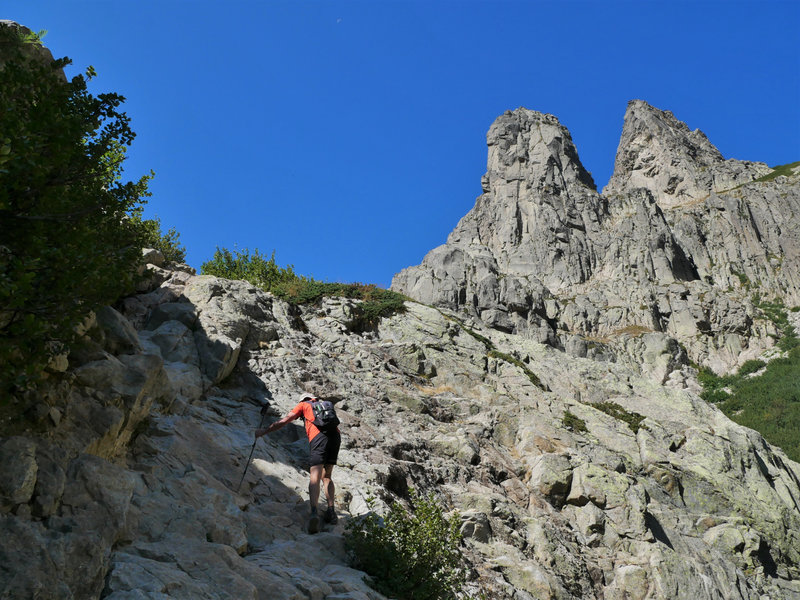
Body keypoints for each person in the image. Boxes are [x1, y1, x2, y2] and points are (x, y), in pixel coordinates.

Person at [255, 393, 341, 533]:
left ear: (303, 400)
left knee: (315, 474)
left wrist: (264, 431)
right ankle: (331, 511)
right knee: (327, 476)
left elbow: (285, 420)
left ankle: (314, 512)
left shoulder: (303, 405)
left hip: (318, 438)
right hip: (335, 437)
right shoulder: (325, 404)